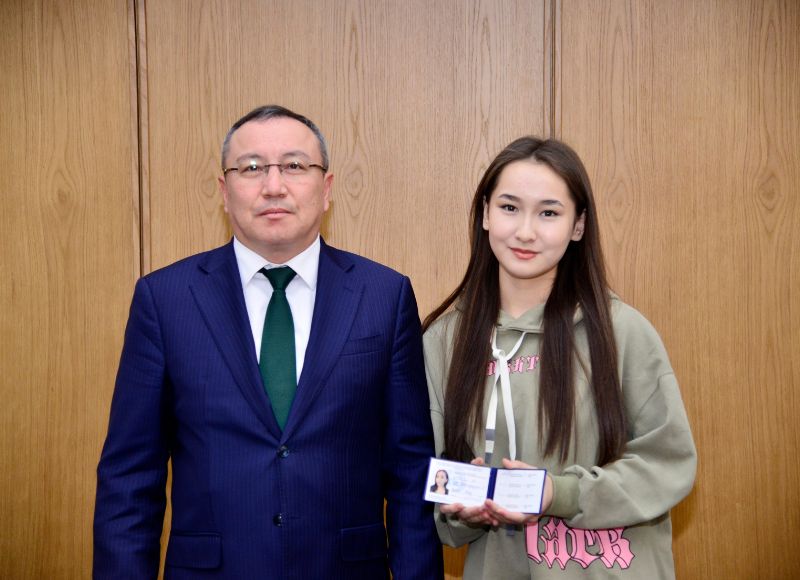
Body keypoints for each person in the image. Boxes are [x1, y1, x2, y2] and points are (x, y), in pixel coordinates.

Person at [94, 105, 443, 579]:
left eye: (295, 165)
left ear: (327, 188)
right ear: (224, 191)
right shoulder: (165, 299)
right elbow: (130, 478)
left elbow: (411, 471)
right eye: (252, 167)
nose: (273, 185)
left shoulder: (384, 295)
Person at [422, 137, 696, 579]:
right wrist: (462, 508)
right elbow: (432, 485)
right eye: (509, 207)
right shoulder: (444, 341)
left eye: (548, 213)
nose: (525, 231)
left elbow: (669, 464)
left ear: (578, 225)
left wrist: (558, 494)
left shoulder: (621, 331)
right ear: (486, 213)